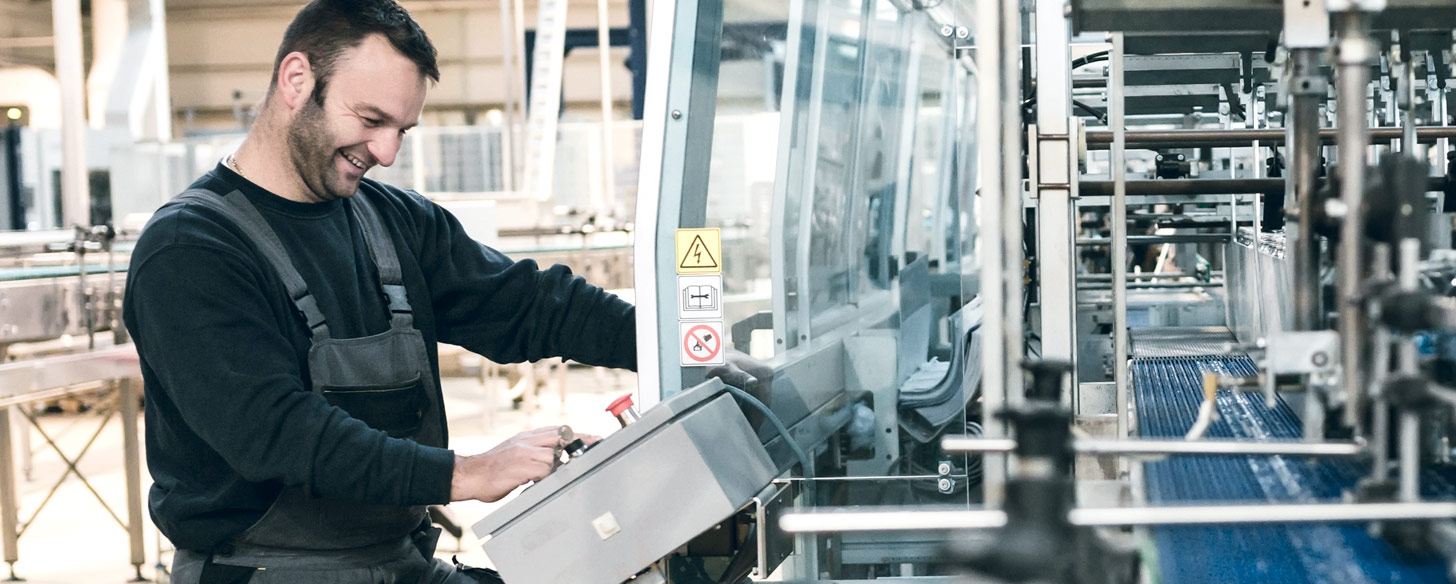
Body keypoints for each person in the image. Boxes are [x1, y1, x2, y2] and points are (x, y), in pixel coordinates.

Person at [122, 1, 635, 582]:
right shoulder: (191, 249)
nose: (387, 153)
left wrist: (675, 343)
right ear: (297, 80)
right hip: (267, 571)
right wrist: (466, 473)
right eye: (370, 121)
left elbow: (529, 307)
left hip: (397, 560)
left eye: (401, 131)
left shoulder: (393, 223)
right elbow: (276, 432)